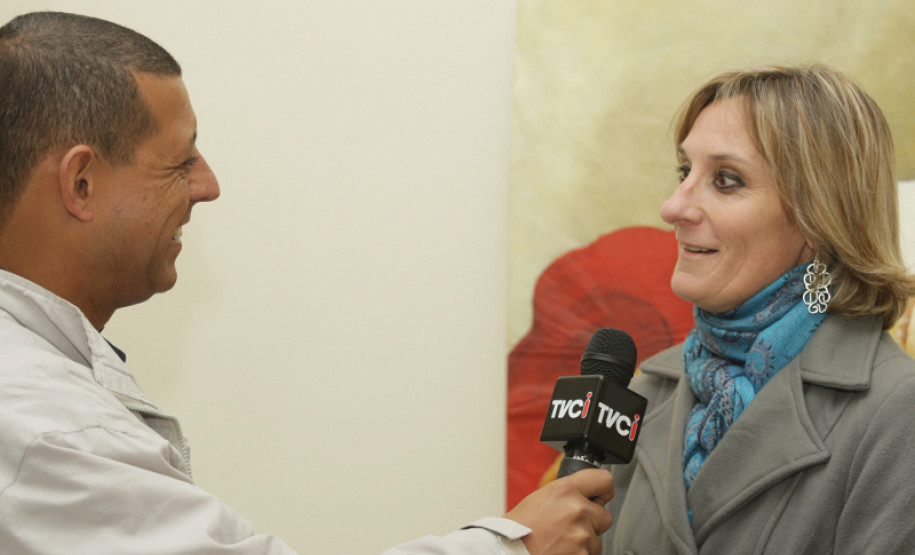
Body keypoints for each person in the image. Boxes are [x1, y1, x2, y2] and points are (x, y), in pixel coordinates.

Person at [0, 11, 615, 555]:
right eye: (181, 160)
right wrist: (513, 550)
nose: (208, 185)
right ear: (81, 183)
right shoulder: (46, 428)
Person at [601, 64, 915, 553]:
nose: (673, 206)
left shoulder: (898, 413)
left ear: (820, 217)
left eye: (725, 180)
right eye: (685, 172)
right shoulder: (647, 391)